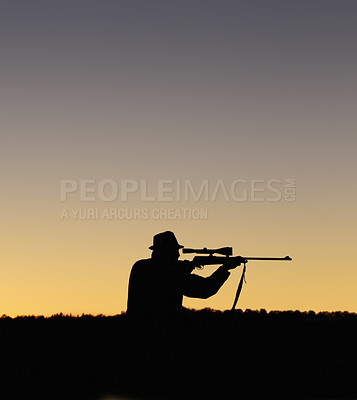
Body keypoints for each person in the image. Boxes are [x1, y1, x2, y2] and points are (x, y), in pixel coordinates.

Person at [126, 231, 241, 318]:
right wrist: (224, 269)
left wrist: (187, 268)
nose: (178, 255)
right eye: (174, 251)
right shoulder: (170, 273)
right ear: (165, 252)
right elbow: (205, 289)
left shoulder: (140, 266)